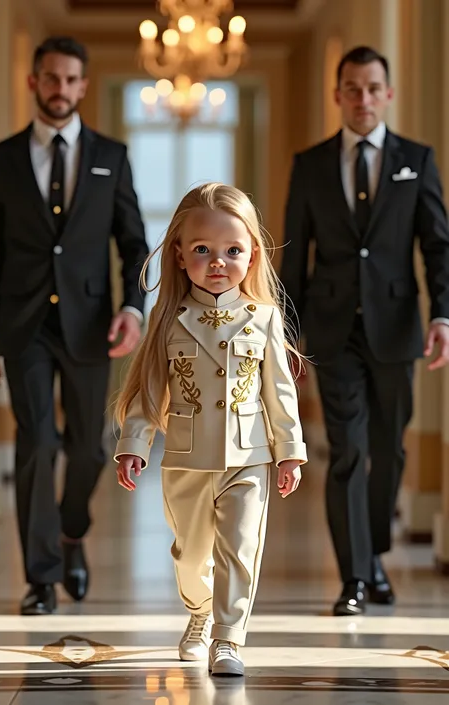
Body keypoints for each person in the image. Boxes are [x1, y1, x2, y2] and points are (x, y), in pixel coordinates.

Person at [0, 36, 149, 615]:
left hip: (92, 324)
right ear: (33, 82)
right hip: (21, 327)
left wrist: (132, 309)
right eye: (50, 78)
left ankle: (73, 530)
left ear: (83, 85)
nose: (60, 89)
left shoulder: (111, 155)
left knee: (89, 449)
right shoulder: (0, 159)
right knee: (37, 444)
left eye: (71, 79)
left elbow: (132, 242)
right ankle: (41, 576)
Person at [280, 45, 449, 616]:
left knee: (389, 451)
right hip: (331, 332)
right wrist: (287, 337)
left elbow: (437, 247)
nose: (362, 99)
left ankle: (373, 554)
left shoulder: (417, 160)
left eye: (373, 88)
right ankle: (353, 577)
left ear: (388, 94)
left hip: (398, 328)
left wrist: (443, 315)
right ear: (338, 95)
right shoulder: (309, 165)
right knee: (347, 450)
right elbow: (294, 257)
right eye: (352, 88)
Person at [114, 183, 307, 676]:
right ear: (179, 255)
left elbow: (279, 392)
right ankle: (198, 613)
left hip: (250, 457)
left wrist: (289, 451)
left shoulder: (263, 319)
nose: (218, 261)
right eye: (202, 250)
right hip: (186, 457)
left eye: (232, 251)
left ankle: (228, 638)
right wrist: (133, 445)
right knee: (190, 553)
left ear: (252, 255)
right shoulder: (167, 318)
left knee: (240, 551)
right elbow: (149, 388)